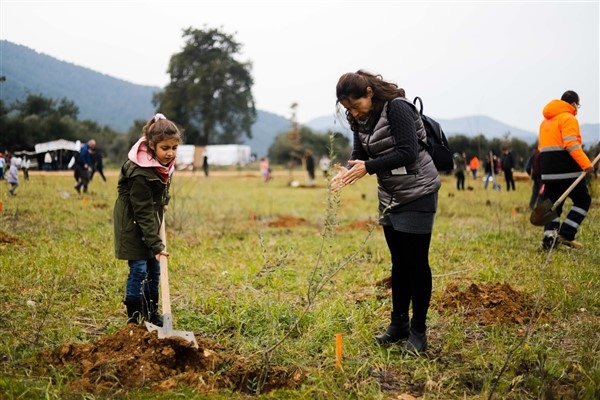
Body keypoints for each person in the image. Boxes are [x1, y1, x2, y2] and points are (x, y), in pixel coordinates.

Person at [332, 70, 441, 354]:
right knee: (399, 262)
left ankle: (418, 331)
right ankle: (398, 325)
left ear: (369, 92)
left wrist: (367, 168)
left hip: (418, 191)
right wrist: (347, 172)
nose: (353, 114)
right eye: (347, 110)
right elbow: (362, 157)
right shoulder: (360, 120)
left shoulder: (397, 107)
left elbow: (408, 152)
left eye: (355, 106)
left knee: (416, 263)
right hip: (390, 196)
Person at [113, 113, 182, 326]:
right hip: (133, 225)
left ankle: (152, 314)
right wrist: (155, 244)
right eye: (165, 148)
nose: (170, 153)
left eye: (174, 148)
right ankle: (133, 319)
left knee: (154, 268)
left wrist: (165, 200)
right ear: (152, 145)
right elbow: (141, 211)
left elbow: (162, 186)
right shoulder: (139, 172)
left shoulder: (162, 164)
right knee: (140, 269)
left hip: (151, 220)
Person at [538, 90, 594, 250]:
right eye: (578, 105)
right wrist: (586, 164)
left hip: (548, 172)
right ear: (574, 104)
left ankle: (549, 238)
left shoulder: (545, 122)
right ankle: (566, 234)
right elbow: (571, 145)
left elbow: (540, 148)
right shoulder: (568, 118)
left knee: (553, 205)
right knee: (583, 200)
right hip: (568, 171)